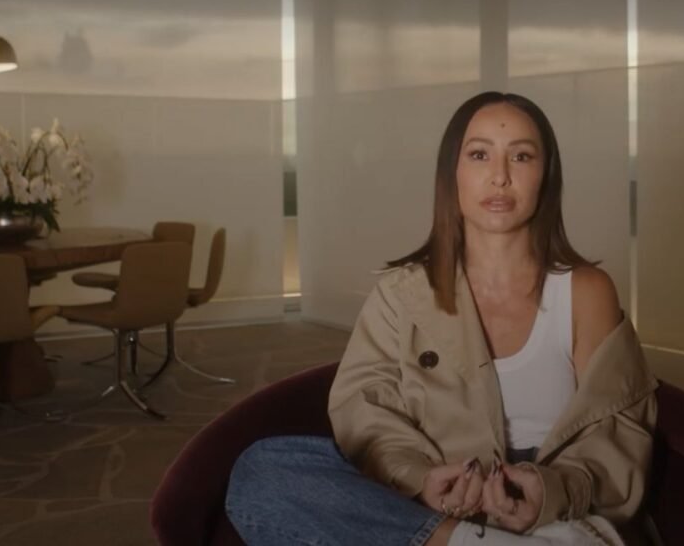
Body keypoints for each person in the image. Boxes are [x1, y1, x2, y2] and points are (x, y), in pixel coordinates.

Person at [225, 92, 659, 546]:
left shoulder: (586, 292)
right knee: (262, 471)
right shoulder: (401, 295)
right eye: (479, 155)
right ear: (452, 174)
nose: (500, 176)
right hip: (434, 517)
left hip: (553, 523)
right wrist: (420, 479)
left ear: (545, 175)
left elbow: (619, 436)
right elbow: (364, 413)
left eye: (522, 156)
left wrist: (550, 491)